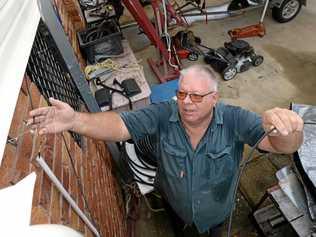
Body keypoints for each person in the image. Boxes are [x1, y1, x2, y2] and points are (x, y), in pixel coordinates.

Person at [28, 64, 303, 237]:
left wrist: (290, 130)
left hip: (217, 212)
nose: (187, 103)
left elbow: (280, 146)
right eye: (182, 94)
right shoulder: (163, 114)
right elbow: (120, 125)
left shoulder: (235, 119)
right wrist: (75, 120)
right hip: (176, 207)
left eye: (197, 96)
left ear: (215, 98)